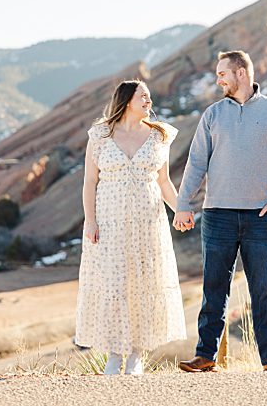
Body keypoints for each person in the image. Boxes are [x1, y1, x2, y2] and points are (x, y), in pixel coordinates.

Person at [173, 50, 267, 373]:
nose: (218, 80)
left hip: (262, 217)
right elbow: (197, 163)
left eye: (222, 74)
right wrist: (184, 204)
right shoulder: (213, 114)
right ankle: (206, 356)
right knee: (214, 288)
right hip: (217, 215)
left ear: (241, 73)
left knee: (264, 289)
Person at [75, 79, 186, 375]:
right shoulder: (100, 135)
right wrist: (90, 219)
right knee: (113, 285)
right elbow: (89, 181)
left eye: (149, 96)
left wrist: (182, 210)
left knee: (144, 284)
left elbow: (163, 182)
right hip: (109, 222)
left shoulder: (159, 135)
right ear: (126, 101)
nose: (149, 101)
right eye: (143, 96)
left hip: (148, 223)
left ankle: (137, 354)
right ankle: (114, 353)